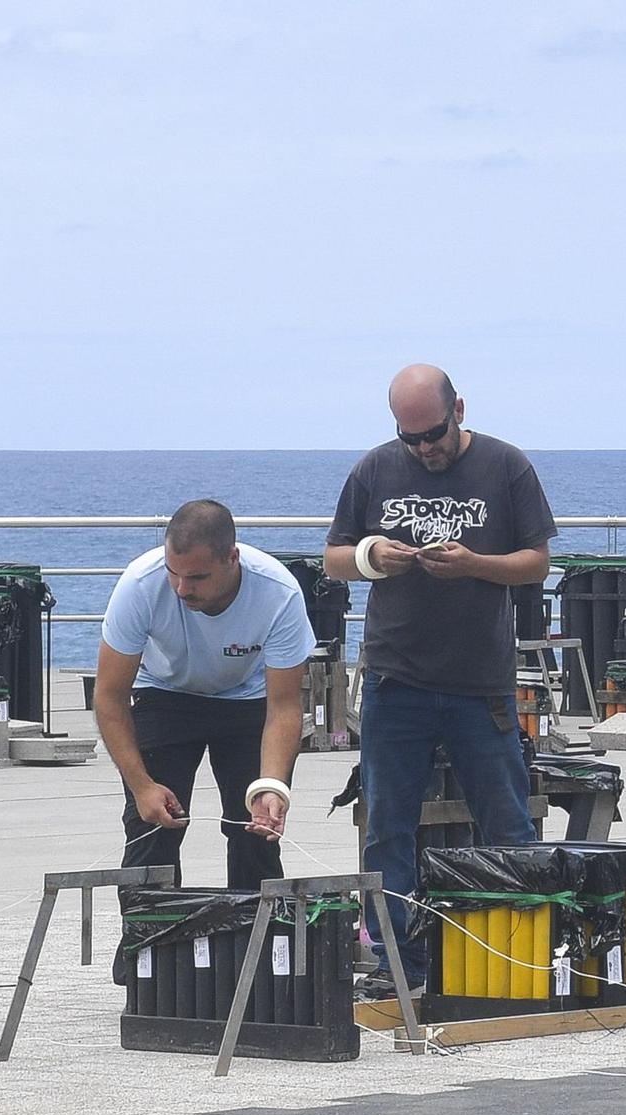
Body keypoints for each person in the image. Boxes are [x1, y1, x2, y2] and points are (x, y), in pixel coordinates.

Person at [325, 364, 557, 994]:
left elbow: (537, 560)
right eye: (410, 439)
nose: (424, 449)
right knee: (387, 829)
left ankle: (518, 957)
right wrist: (376, 556)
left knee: (506, 822)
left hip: (480, 685)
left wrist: (475, 565)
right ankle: (399, 963)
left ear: (459, 409)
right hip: (395, 681)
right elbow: (333, 558)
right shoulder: (374, 470)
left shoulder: (507, 467)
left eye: (432, 434)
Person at [95, 499, 317, 891]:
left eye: (197, 577)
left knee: (256, 831)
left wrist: (272, 785)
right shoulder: (139, 585)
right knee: (151, 829)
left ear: (232, 557)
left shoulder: (278, 593)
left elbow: (284, 707)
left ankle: (259, 948)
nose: (182, 589)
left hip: (247, 699)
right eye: (173, 573)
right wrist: (141, 786)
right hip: (165, 693)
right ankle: (148, 949)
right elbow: (109, 698)